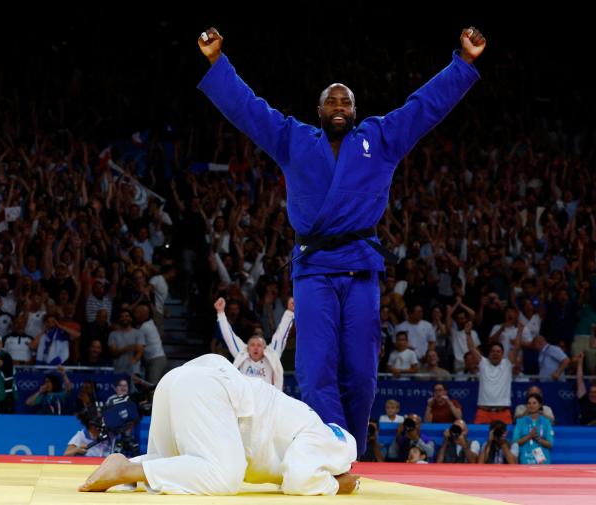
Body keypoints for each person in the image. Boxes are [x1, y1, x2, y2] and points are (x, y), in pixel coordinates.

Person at [197, 25, 485, 453]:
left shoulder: (379, 139)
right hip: (313, 270)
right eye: (331, 100)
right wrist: (217, 63)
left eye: (345, 101)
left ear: (354, 110)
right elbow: (250, 110)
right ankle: (330, 445)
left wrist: (463, 63)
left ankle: (351, 446)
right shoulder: (294, 139)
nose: (338, 105)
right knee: (314, 370)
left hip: (361, 268)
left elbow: (423, 108)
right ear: (318, 110)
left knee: (362, 372)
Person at [79, 354, 360, 495]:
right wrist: (337, 487)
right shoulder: (333, 442)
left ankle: (129, 469)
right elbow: (300, 477)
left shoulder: (309, 423)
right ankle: (127, 468)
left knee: (177, 462)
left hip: (180, 380)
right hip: (208, 388)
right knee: (225, 477)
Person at [215, 297, 295, 390]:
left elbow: (280, 336)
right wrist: (220, 313)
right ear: (247, 348)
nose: (255, 348)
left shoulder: (272, 355)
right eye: (252, 345)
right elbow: (229, 337)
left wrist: (289, 312)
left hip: (267, 402)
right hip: (246, 401)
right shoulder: (241, 354)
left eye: (259, 345)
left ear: (265, 349)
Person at [513, 392, 554, 464]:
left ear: (540, 405)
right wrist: (529, 436)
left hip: (543, 463)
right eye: (529, 403)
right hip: (525, 461)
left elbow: (550, 444)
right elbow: (515, 442)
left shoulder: (546, 422)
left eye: (534, 403)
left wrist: (538, 439)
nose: (531, 405)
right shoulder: (520, 422)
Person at [574, 352, 596, 425]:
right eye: (591, 392)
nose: (593, 394)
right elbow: (579, 380)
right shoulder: (584, 400)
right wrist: (580, 362)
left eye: (595, 392)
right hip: (585, 430)